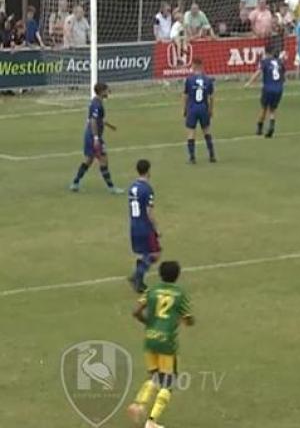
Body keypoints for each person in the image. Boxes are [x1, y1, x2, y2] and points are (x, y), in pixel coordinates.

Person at [127, 261, 194, 428]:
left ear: (160, 274)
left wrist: (148, 323)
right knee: (168, 383)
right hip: (166, 342)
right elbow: (189, 319)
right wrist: (183, 321)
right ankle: (152, 422)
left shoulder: (151, 290)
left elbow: (136, 312)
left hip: (150, 339)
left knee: (155, 377)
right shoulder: (179, 294)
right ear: (177, 276)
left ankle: (138, 404)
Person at [69, 83, 124, 194]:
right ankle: (111, 187)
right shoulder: (97, 104)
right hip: (93, 136)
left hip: (91, 135)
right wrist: (95, 138)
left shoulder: (96, 102)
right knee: (103, 160)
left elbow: (97, 119)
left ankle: (75, 183)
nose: (108, 92)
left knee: (89, 161)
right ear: (101, 91)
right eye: (107, 90)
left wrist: (109, 125)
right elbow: (93, 121)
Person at [127, 159, 161, 294]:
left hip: (134, 225)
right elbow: (149, 212)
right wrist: (156, 228)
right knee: (155, 253)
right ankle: (137, 277)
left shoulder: (132, 187)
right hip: (145, 227)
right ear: (148, 171)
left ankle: (138, 278)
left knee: (146, 253)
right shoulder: (147, 189)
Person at [245, 46, 286, 138]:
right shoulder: (280, 62)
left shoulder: (265, 61)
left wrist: (249, 82)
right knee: (273, 109)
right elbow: (283, 76)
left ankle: (260, 128)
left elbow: (258, 72)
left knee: (264, 108)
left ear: (268, 53)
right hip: (279, 89)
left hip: (268, 88)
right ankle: (271, 126)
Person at [183, 58, 216, 163]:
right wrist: (211, 109)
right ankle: (212, 155)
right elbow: (211, 97)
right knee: (206, 131)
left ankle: (192, 157)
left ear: (195, 66)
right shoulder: (207, 80)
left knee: (191, 133)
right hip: (203, 108)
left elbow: (185, 96)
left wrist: (184, 109)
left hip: (192, 108)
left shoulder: (189, 80)